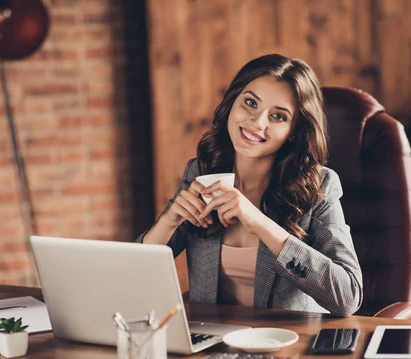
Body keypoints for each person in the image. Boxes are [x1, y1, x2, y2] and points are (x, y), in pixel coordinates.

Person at [137, 54, 362, 317]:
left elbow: (348, 297)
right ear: (232, 102)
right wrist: (169, 221)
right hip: (210, 345)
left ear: (294, 131)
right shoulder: (201, 173)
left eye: (278, 116)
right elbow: (134, 273)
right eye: (250, 103)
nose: (257, 122)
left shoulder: (318, 186)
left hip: (286, 344)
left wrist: (259, 222)